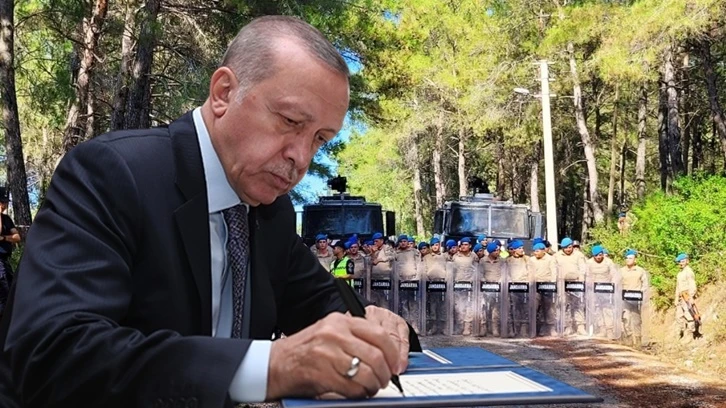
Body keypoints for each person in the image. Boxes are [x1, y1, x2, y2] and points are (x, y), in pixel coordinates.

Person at [0, 16, 409, 408]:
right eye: (289, 121)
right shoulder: (113, 174)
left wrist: (378, 326)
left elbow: (324, 305)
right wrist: (272, 366)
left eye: (320, 139)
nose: (301, 158)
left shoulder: (272, 213)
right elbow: (53, 356)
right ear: (223, 93)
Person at [555, 237, 587, 335]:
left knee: (578, 305)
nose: (568, 249)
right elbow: (554, 269)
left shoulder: (578, 255)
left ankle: (580, 326)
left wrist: (581, 280)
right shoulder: (557, 256)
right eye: (565, 248)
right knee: (564, 305)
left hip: (576, 283)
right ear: (562, 248)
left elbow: (583, 268)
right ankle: (567, 326)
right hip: (562, 283)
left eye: (569, 247)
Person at [0, 188, 21, 318]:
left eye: (5, 202)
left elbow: (17, 237)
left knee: (12, 289)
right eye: (2, 202)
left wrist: (4, 238)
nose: (4, 205)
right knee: (3, 293)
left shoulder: (7, 219)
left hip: (5, 260)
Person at [620, 249, 649, 346]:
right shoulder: (621, 271)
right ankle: (629, 338)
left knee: (636, 320)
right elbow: (617, 283)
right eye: (627, 258)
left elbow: (645, 284)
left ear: (635, 260)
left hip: (636, 299)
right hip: (624, 299)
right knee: (626, 319)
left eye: (630, 258)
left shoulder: (640, 271)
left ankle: (638, 339)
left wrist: (641, 293)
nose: (628, 260)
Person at [675, 253, 698, 341]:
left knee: (689, 315)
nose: (681, 263)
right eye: (679, 262)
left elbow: (692, 285)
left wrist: (691, 297)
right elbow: (678, 287)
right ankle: (681, 334)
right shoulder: (680, 274)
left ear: (687, 261)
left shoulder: (689, 272)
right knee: (679, 316)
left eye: (683, 261)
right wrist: (676, 298)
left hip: (687, 295)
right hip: (681, 297)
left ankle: (691, 335)